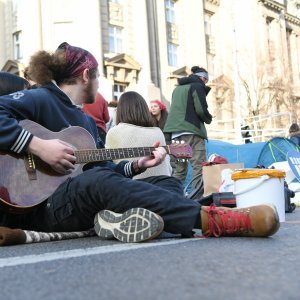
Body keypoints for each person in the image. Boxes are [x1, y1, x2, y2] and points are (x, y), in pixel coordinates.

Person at [0, 42, 280, 243]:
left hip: (76, 200)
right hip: (40, 207)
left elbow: (105, 168)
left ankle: (117, 220)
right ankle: (212, 220)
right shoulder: (41, 98)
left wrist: (135, 166)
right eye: (97, 76)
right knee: (96, 182)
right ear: (86, 75)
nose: (99, 83)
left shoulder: (84, 121)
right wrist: (38, 146)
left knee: (167, 183)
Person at [163, 66, 212, 198]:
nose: (205, 83)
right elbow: (201, 109)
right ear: (202, 78)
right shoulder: (198, 86)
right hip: (191, 133)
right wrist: (208, 119)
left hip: (175, 136)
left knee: (180, 169)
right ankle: (197, 200)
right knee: (199, 167)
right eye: (206, 80)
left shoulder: (177, 89)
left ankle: (173, 198)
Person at [106, 91, 172, 180]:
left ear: (120, 111)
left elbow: (110, 170)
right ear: (144, 110)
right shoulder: (158, 132)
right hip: (163, 188)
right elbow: (168, 168)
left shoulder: (114, 132)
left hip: (131, 190)